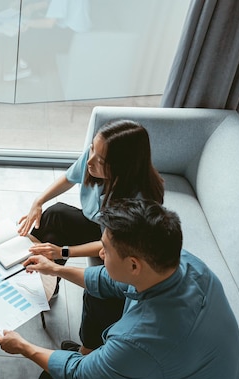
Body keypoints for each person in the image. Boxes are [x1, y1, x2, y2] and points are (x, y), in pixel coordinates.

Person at [0, 198, 239, 379]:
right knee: (98, 298)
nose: (100, 253)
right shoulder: (183, 264)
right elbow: (108, 281)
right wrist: (56, 268)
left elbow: (80, 376)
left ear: (134, 265)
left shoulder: (143, 339)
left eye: (106, 249)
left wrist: (22, 346)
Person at [18, 119, 164, 354]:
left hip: (119, 245)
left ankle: (87, 350)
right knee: (54, 215)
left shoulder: (139, 201)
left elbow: (110, 244)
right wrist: (38, 202)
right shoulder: (95, 156)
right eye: (92, 149)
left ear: (122, 167)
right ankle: (37, 275)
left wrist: (62, 251)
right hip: (99, 225)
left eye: (100, 160)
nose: (89, 160)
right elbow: (68, 178)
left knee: (98, 293)